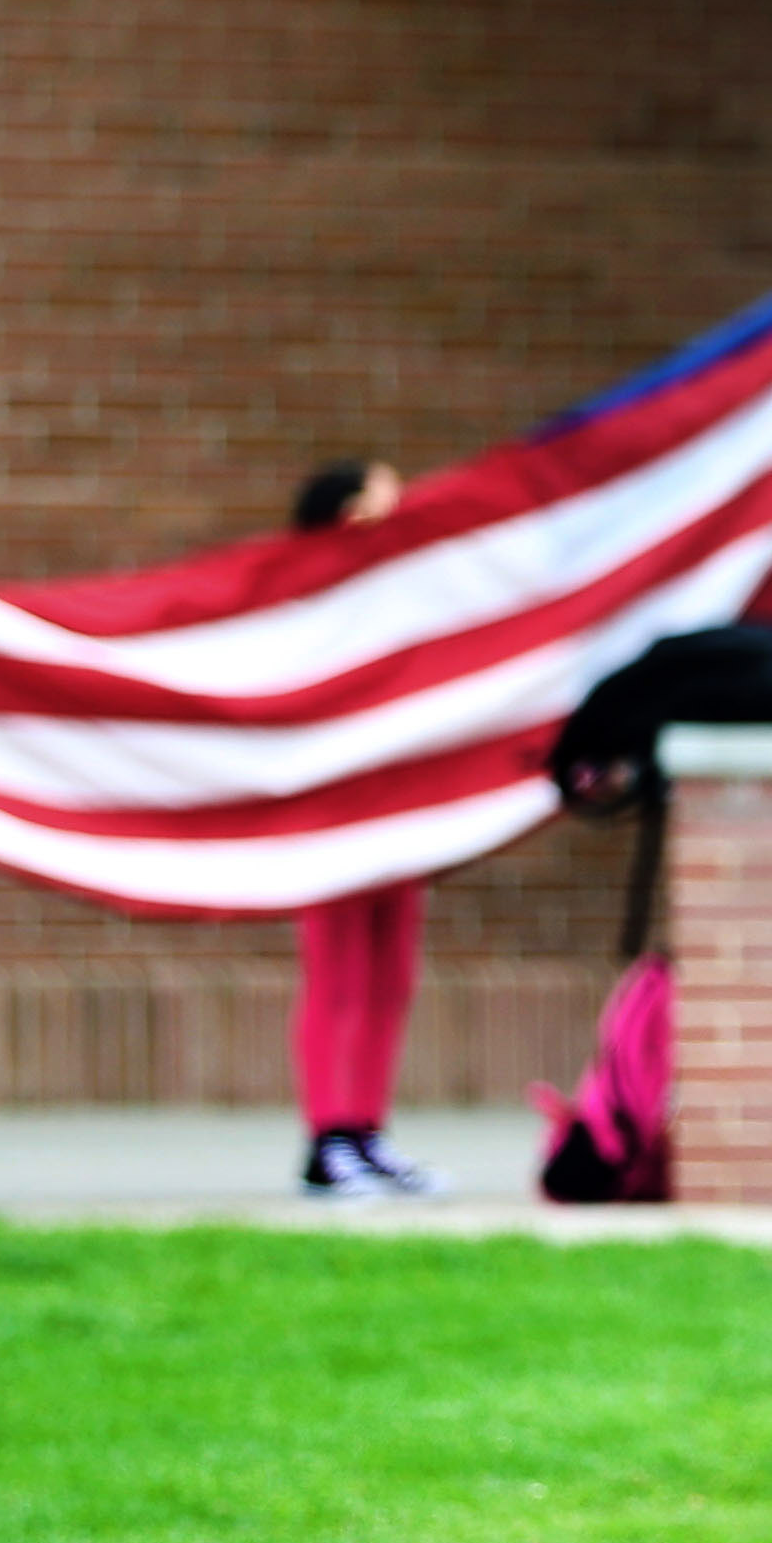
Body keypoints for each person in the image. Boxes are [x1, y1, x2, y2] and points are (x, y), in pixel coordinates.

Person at [284, 457, 444, 1197]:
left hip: (397, 808)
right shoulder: (306, 605)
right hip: (334, 814)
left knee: (391, 973)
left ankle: (369, 1130)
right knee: (338, 971)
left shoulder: (403, 605)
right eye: (387, 503)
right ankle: (328, 1138)